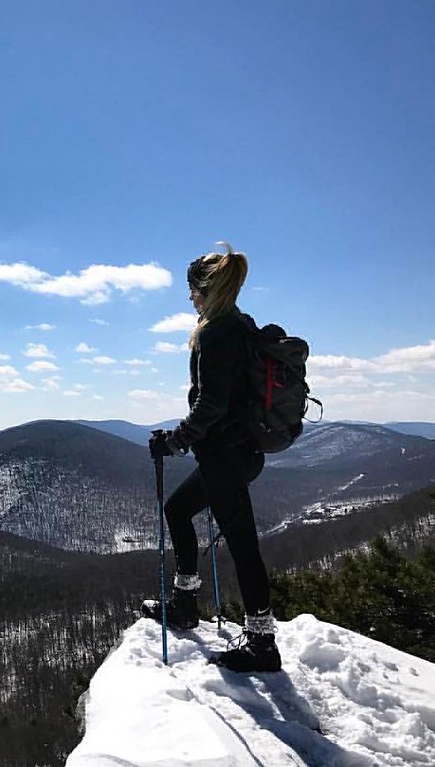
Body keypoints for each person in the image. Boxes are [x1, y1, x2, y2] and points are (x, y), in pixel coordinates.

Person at [142, 242, 281, 673]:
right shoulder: (240, 325)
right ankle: (186, 602)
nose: (189, 298)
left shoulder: (216, 332)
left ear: (205, 289)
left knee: (243, 545)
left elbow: (211, 405)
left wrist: (176, 440)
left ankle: (261, 644)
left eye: (191, 290)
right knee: (179, 509)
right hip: (239, 452)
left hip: (225, 456)